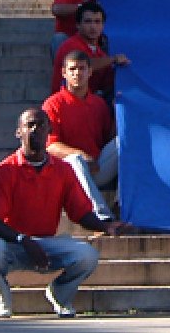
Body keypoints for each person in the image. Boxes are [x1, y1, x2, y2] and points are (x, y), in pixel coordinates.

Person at [0, 108, 128, 319]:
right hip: (14, 244)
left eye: (40, 125)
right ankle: (1, 301)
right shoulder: (5, 170)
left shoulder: (63, 170)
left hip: (47, 244)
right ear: (18, 132)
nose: (35, 130)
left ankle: (60, 295)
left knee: (87, 255)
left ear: (50, 130)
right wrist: (24, 240)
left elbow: (81, 213)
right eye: (29, 125)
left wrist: (105, 226)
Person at [43, 51, 118, 220]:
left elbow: (107, 138)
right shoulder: (52, 104)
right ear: (64, 72)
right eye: (73, 69)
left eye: (82, 69)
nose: (77, 73)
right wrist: (82, 155)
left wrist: (116, 114)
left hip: (96, 167)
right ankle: (101, 216)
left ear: (90, 72)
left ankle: (122, 204)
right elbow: (50, 145)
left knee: (123, 143)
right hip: (67, 173)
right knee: (75, 159)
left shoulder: (98, 104)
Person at [51, 0, 130, 103]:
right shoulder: (71, 45)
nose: (93, 27)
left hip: (89, 103)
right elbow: (85, 65)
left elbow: (107, 83)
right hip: (66, 103)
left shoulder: (100, 53)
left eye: (97, 22)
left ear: (103, 26)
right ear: (78, 25)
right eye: (88, 21)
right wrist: (114, 59)